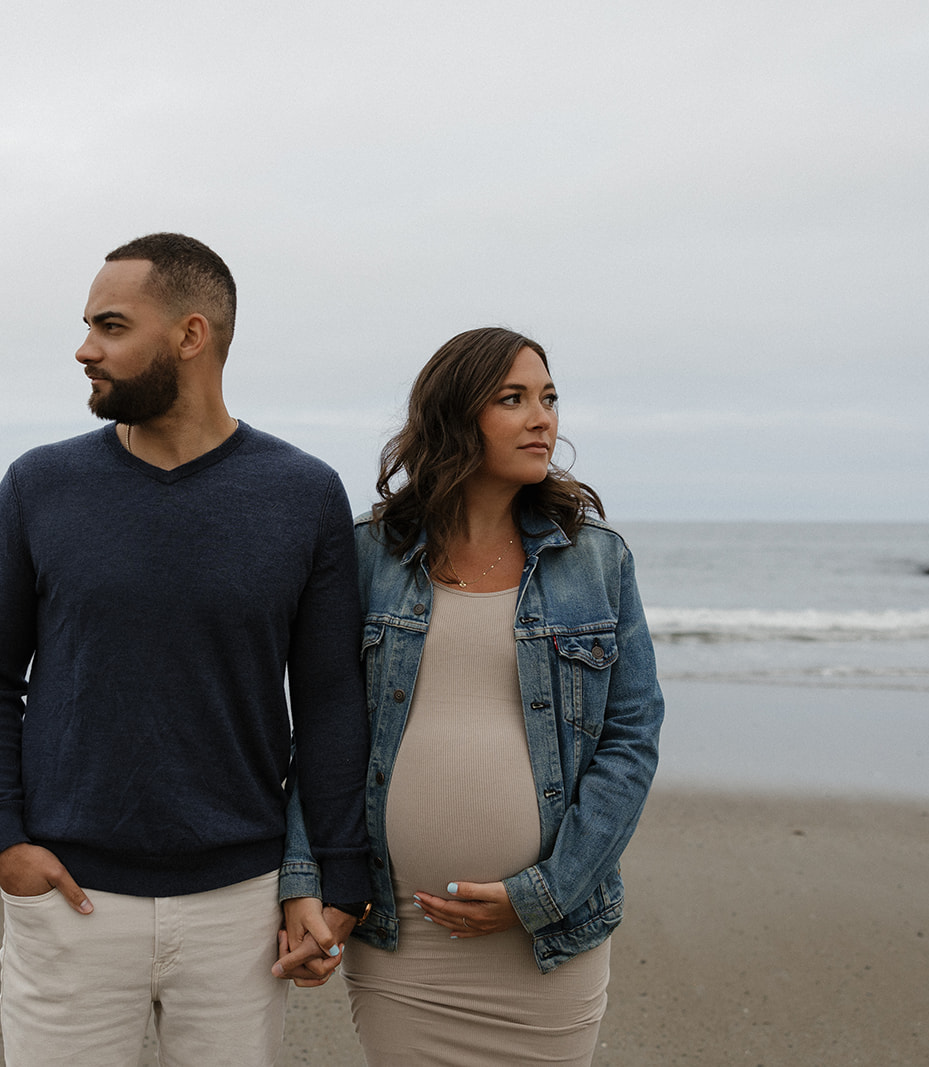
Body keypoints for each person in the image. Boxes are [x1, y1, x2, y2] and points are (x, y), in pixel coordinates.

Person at [0, 233, 371, 1066]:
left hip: (239, 904)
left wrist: (337, 875)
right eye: (86, 326)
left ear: (190, 335)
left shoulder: (303, 493)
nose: (84, 349)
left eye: (110, 326)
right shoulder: (40, 485)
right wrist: (0, 836)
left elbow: (330, 697)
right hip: (69, 896)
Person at [277, 326, 664, 1065]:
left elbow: (632, 734)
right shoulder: (369, 554)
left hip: (545, 940)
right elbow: (323, 727)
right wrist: (304, 879)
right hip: (403, 938)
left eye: (548, 398)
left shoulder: (596, 559)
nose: (542, 417)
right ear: (457, 416)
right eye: (513, 399)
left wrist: (546, 892)